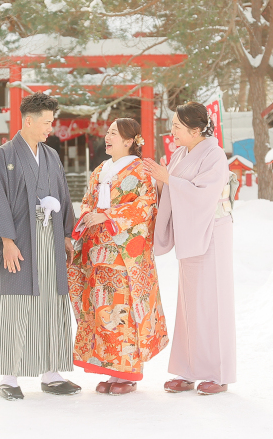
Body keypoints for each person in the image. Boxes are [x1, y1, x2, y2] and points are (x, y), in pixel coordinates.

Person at [0, 92, 79, 400]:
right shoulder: (3, 156)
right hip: (19, 241)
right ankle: (8, 379)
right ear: (28, 120)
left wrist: (65, 234)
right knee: (16, 305)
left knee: (51, 303)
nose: (51, 128)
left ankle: (51, 373)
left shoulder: (50, 156)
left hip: (49, 241)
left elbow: (62, 197)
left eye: (52, 122)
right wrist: (6, 241)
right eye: (47, 122)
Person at [69, 118, 168, 396]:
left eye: (114, 134)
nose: (107, 137)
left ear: (129, 141)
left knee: (124, 310)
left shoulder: (141, 169)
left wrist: (108, 216)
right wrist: (88, 215)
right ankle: (110, 369)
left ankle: (128, 372)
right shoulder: (101, 169)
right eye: (108, 133)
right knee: (103, 311)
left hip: (125, 253)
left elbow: (146, 206)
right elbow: (88, 200)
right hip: (99, 250)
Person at [144, 101, 236, 396]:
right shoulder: (182, 153)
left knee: (213, 302)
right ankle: (187, 370)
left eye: (178, 127)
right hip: (191, 233)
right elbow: (174, 189)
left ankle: (217, 373)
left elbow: (204, 195)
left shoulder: (215, 155)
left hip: (211, 232)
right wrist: (162, 182)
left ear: (197, 130)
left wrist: (168, 178)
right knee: (188, 304)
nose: (172, 132)